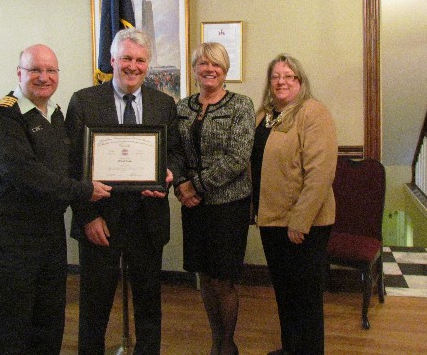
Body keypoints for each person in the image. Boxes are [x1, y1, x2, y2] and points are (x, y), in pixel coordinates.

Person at [0, 44, 112, 354]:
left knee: (49, 321)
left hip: (49, 235)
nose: (44, 77)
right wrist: (84, 190)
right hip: (11, 238)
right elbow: (26, 174)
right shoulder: (3, 116)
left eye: (51, 70)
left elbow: (67, 165)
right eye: (35, 70)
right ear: (19, 73)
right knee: (12, 326)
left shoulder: (54, 112)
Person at [65, 28, 178, 355]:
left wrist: (169, 175)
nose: (133, 66)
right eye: (126, 58)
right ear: (112, 60)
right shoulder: (85, 101)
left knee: (148, 306)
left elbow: (177, 153)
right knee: (94, 305)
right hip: (101, 221)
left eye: (140, 60)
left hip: (148, 220)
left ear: (148, 64)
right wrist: (88, 217)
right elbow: (73, 167)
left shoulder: (163, 103)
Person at [250, 54, 337, 355]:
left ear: (300, 81)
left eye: (289, 76)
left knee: (306, 298)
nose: (281, 81)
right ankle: (291, 349)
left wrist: (300, 221)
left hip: (304, 224)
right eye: (276, 76)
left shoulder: (313, 113)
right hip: (271, 220)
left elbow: (320, 172)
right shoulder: (264, 116)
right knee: (285, 293)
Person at [172, 42, 255, 355]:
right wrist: (181, 184)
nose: (209, 69)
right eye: (203, 63)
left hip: (228, 206)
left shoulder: (241, 105)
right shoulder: (181, 108)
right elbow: (174, 152)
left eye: (216, 64)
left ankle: (227, 343)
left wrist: (195, 185)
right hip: (193, 206)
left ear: (225, 70)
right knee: (203, 276)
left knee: (223, 279)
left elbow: (237, 157)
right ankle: (214, 338)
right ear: (194, 69)